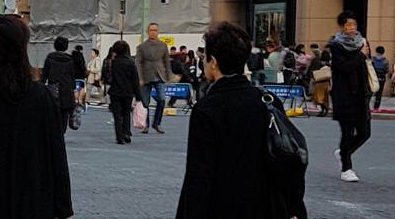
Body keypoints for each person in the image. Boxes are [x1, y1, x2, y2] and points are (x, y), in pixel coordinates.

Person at [175, 21, 307, 219]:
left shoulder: (207, 109)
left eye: (205, 58)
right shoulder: (268, 101)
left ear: (213, 62)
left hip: (222, 207)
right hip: (267, 206)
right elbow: (286, 155)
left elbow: (199, 176)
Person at [0, 17, 71, 219]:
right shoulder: (42, 97)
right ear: (23, 47)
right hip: (34, 201)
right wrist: (64, 208)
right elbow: (57, 155)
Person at [329, 10, 371, 182]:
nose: (352, 28)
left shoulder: (363, 42)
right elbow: (344, 67)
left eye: (354, 24)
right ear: (342, 26)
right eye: (348, 25)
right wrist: (360, 55)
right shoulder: (336, 45)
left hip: (361, 95)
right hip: (344, 95)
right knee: (347, 133)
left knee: (364, 133)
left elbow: (366, 66)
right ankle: (346, 168)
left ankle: (344, 152)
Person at [135, 23, 171, 134]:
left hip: (160, 75)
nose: (153, 32)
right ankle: (145, 125)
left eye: (155, 30)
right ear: (148, 31)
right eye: (151, 30)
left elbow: (167, 61)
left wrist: (168, 76)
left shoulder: (163, 45)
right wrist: (140, 78)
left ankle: (157, 123)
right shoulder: (142, 47)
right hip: (146, 77)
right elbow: (138, 63)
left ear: (158, 31)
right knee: (145, 103)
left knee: (162, 99)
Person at [40, 36, 77, 135]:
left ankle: (53, 133)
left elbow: (44, 75)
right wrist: (73, 88)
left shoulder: (50, 58)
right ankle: (61, 133)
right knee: (64, 115)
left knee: (51, 113)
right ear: (66, 47)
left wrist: (40, 87)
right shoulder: (70, 60)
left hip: (53, 90)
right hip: (67, 90)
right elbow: (72, 76)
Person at [107, 41, 140, 144]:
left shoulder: (113, 62)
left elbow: (109, 78)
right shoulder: (131, 62)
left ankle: (119, 136)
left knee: (117, 115)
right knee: (126, 114)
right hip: (127, 92)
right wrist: (138, 95)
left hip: (115, 92)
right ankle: (126, 133)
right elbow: (135, 80)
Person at [310, 49, 332, 117]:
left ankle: (324, 109)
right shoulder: (330, 63)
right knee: (325, 98)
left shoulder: (318, 62)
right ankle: (324, 110)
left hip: (319, 82)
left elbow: (313, 70)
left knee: (318, 98)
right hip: (326, 82)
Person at [369, 46, 388, 111]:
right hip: (381, 78)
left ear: (376, 51)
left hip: (373, 77)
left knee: (370, 92)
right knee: (379, 94)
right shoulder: (385, 60)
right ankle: (376, 108)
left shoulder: (372, 59)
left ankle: (366, 105)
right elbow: (386, 70)